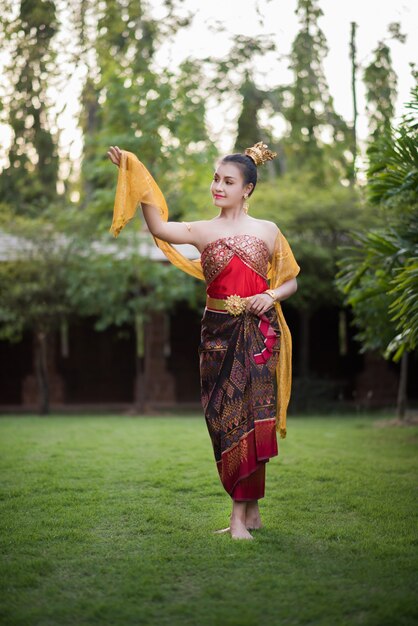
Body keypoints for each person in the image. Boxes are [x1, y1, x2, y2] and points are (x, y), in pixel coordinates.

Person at [107, 142, 300, 540]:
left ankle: (238, 520)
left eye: (228, 181)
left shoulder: (268, 230)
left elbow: (291, 279)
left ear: (247, 189)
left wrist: (271, 295)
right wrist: (135, 172)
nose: (218, 186)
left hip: (260, 333)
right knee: (222, 418)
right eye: (216, 179)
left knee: (251, 416)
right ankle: (253, 512)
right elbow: (160, 228)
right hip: (215, 335)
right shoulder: (201, 230)